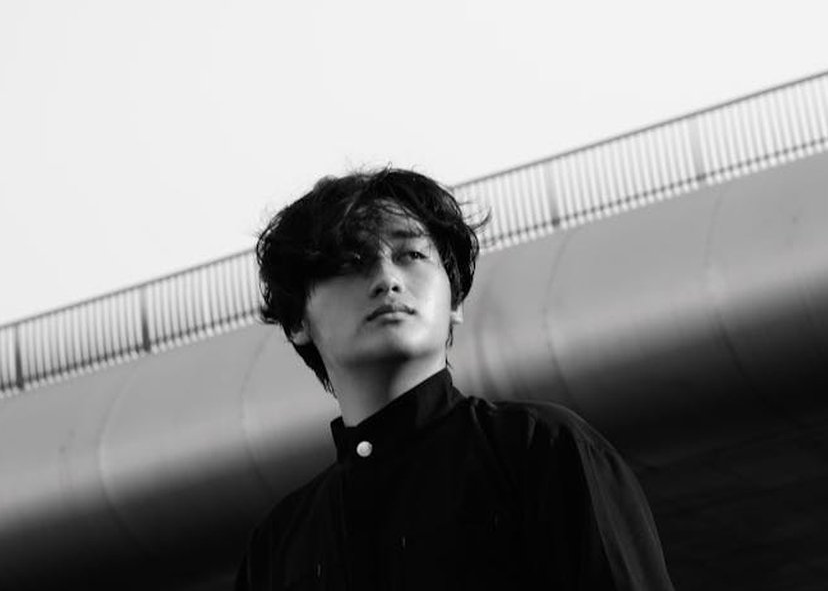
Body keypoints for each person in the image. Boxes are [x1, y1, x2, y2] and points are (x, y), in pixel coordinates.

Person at [235, 167, 674, 590]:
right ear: (297, 322)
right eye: (351, 261)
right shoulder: (276, 549)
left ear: (455, 302)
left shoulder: (543, 450)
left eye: (411, 255)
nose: (387, 279)